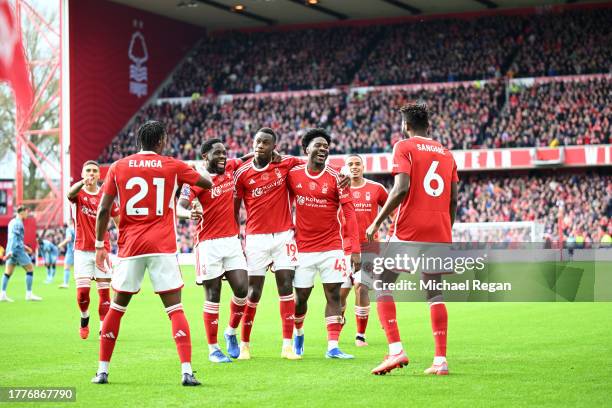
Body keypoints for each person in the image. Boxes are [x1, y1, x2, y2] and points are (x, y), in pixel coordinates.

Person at [91, 121, 212, 386]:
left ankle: (102, 371)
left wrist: (100, 245)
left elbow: (103, 210)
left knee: (117, 307)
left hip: (130, 246)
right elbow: (206, 182)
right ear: (162, 141)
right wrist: (191, 172)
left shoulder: (118, 166)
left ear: (139, 142)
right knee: (175, 308)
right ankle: (187, 372)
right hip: (162, 246)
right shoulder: (173, 165)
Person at [366, 103, 458, 376]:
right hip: (439, 230)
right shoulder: (447, 153)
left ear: (406, 126)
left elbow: (401, 188)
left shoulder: (403, 146)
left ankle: (396, 350)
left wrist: (377, 221)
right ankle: (440, 360)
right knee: (435, 292)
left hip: (410, 228)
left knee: (380, 281)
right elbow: (454, 199)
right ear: (429, 126)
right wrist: (445, 230)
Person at [177, 139, 255, 363]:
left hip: (231, 241)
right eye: (217, 153)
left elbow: (246, 157)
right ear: (204, 156)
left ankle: (230, 331)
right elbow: (180, 206)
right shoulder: (196, 180)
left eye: (224, 153)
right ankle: (213, 349)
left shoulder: (230, 166)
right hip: (208, 244)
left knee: (242, 289)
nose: (223, 157)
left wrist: (266, 152)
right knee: (213, 295)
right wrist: (189, 214)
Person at [286, 128, 361, 359]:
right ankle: (299, 332)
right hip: (303, 249)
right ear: (306, 149)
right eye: (318, 145)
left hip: (332, 247)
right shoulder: (293, 174)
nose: (323, 149)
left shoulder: (338, 177)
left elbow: (350, 213)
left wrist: (356, 250)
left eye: (326, 146)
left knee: (334, 295)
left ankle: (332, 347)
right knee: (301, 298)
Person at [232, 128, 302, 360]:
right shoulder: (242, 173)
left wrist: (283, 157)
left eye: (265, 143)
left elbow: (307, 162)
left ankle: (287, 346)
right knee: (254, 292)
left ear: (274, 147)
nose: (260, 145)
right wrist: (236, 239)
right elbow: (234, 210)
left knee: (285, 287)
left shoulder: (285, 164)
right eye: (257, 141)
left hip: (284, 236)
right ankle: (244, 345)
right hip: (255, 238)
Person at [65, 160, 120, 339]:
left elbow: (119, 221)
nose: (91, 173)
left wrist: (125, 241)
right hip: (82, 250)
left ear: (99, 175)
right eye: (87, 170)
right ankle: (84, 317)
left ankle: (103, 327)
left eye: (94, 171)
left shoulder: (107, 196)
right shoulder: (78, 194)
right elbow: (69, 193)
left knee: (104, 293)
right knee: (82, 293)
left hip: (102, 250)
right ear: (83, 174)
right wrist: (82, 183)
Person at [339, 154, 388, 347]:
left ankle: (360, 334)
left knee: (361, 288)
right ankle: (339, 319)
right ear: (346, 168)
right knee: (340, 294)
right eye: (350, 164)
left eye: (357, 164)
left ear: (363, 166)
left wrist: (385, 231)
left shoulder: (376, 189)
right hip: (344, 248)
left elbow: (394, 212)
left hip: (370, 248)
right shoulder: (340, 189)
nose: (354, 167)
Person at [0, 206, 42, 302]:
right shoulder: (18, 223)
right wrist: (13, 251)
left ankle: (2, 294)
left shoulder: (11, 222)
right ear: (22, 212)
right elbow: (14, 238)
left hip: (12, 248)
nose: (27, 214)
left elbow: (13, 238)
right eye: (26, 212)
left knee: (8, 272)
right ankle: (29, 294)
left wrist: (22, 247)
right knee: (30, 268)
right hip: (16, 250)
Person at [57, 221, 75, 288]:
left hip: (71, 250)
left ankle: (65, 283)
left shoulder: (69, 229)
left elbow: (69, 239)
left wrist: (60, 245)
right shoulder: (78, 228)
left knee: (66, 266)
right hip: (79, 249)